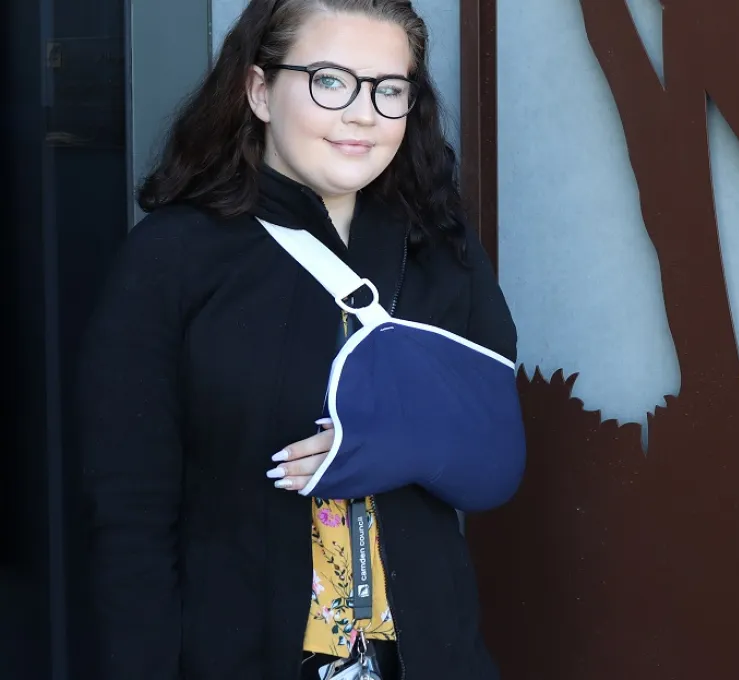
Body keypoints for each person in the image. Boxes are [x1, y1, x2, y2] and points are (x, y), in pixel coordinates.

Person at [76, 1, 519, 678]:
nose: (363, 113)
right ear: (259, 90)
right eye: (330, 81)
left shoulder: (439, 249)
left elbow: (496, 460)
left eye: (389, 89)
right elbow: (130, 516)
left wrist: (392, 441)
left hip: (431, 656)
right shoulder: (172, 258)